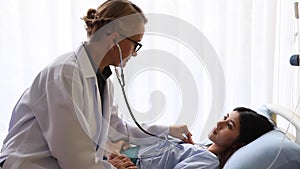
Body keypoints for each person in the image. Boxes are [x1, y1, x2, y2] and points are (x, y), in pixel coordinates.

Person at [0, 0, 193, 169]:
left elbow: (120, 130)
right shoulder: (65, 73)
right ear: (116, 38)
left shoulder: (102, 81)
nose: (134, 53)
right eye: (136, 44)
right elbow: (73, 156)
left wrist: (169, 131)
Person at [136, 107, 274, 169]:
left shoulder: (209, 161)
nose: (220, 123)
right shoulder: (203, 148)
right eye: (225, 118)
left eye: (229, 125)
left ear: (237, 144)